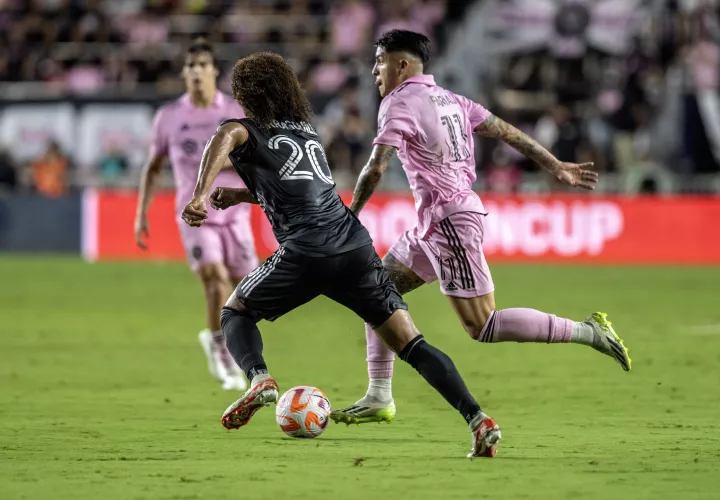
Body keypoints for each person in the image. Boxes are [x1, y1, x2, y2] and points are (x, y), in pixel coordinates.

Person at [181, 52, 501, 459]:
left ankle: (259, 378)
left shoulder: (242, 129)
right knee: (412, 344)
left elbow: (223, 138)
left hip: (306, 252)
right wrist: (243, 194)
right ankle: (478, 419)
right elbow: (304, 191)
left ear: (247, 94)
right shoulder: (305, 132)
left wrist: (198, 196)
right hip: (354, 247)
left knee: (235, 311)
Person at [330, 30, 632, 426]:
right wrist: (554, 164)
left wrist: (351, 216)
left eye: (380, 61)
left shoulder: (398, 101)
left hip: (449, 222)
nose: (374, 71)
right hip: (434, 223)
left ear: (401, 64)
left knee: (483, 325)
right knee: (374, 292)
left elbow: (377, 165)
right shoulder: (452, 100)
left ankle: (589, 332)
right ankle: (379, 395)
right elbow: (507, 131)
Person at [134, 39, 257, 391]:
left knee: (245, 289)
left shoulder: (236, 111)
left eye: (203, 65)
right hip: (194, 213)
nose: (197, 71)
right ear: (184, 73)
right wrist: (140, 214)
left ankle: (232, 344)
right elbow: (154, 167)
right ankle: (220, 349)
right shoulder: (170, 117)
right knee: (214, 278)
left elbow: (255, 159)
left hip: (234, 214)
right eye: (191, 66)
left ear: (214, 71)